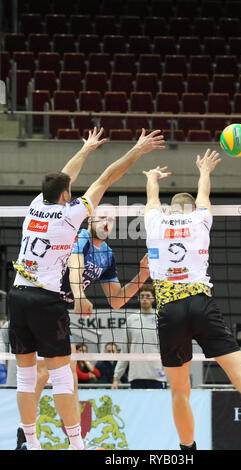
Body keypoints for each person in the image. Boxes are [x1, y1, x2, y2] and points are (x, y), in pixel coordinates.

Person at [8, 127, 165, 450]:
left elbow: (65, 175)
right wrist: (137, 150)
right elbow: (106, 179)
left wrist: (86, 149)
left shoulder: (36, 204)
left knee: (26, 377)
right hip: (46, 299)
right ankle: (78, 445)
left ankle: (31, 444)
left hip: (17, 293)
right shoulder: (71, 217)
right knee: (62, 376)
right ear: (66, 195)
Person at [143, 151, 241, 451]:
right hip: (200, 304)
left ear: (171, 210)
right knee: (240, 374)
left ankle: (188, 451)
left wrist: (152, 180)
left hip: (169, 310)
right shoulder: (200, 221)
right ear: (192, 209)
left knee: (180, 391)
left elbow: (152, 202)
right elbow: (204, 194)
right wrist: (204, 170)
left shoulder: (155, 223)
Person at [112, 284, 167, 389]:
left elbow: (168, 349)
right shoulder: (131, 319)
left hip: (158, 375)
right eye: (142, 296)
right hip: (136, 375)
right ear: (138, 298)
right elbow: (125, 351)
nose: (144, 299)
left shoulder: (161, 318)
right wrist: (116, 378)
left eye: (147, 296)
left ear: (153, 298)